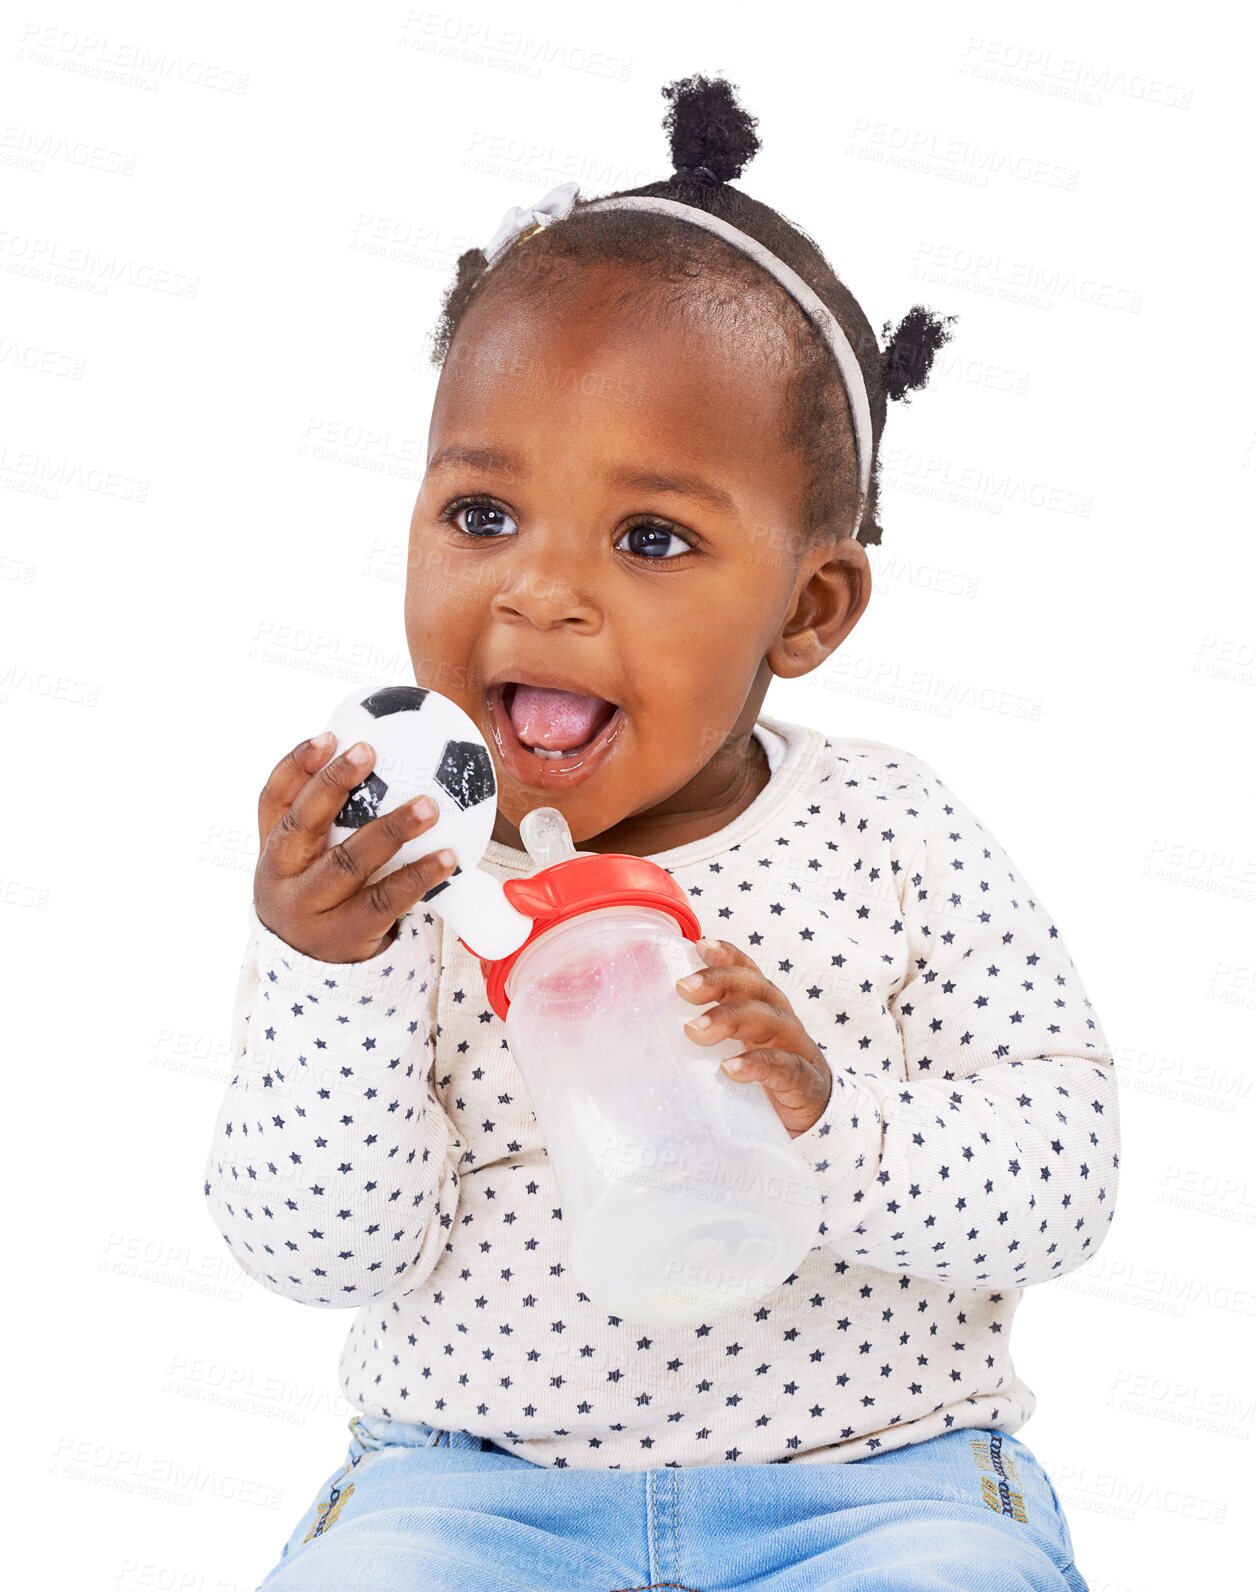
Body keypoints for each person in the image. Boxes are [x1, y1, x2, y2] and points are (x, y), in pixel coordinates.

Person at [204, 71, 1118, 1592]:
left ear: (808, 607)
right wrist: (326, 973)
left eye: (650, 539)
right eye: (482, 515)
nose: (539, 593)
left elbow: (1064, 1184)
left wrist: (829, 1118)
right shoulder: (391, 876)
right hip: (474, 1497)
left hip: (872, 1490)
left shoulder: (893, 833)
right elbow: (317, 1256)